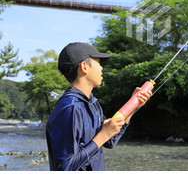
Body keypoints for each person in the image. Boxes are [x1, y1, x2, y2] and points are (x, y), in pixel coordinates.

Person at [46, 42, 151, 171]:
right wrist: (104, 134)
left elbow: (110, 140)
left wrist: (133, 105)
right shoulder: (70, 107)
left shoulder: (92, 103)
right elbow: (65, 167)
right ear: (84, 66)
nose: (101, 68)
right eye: (98, 63)